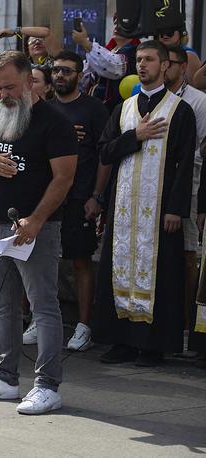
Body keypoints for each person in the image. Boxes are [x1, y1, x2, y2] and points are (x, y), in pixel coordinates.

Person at [0, 50, 77, 415]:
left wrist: (38, 220)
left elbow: (64, 178)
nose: (4, 95)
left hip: (35, 228)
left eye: (10, 87)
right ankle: (4, 377)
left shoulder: (54, 122)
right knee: (3, 305)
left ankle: (47, 384)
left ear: (30, 82)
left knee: (43, 305)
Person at [95, 41, 197, 367]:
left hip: (160, 211)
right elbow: (105, 152)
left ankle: (152, 346)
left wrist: (176, 209)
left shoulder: (180, 110)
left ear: (165, 66)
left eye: (149, 59)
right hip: (124, 207)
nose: (142, 65)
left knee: (161, 274)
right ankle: (122, 341)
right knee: (118, 270)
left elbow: (185, 163)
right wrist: (135, 136)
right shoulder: (123, 109)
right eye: (138, 60)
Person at [44, 51, 110, 352]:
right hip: (48, 198)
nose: (60, 76)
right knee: (42, 261)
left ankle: (84, 326)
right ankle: (40, 319)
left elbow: (104, 157)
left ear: (80, 74)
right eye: (56, 70)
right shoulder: (45, 109)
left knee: (81, 261)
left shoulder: (94, 109)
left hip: (81, 196)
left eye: (66, 71)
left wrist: (97, 196)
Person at [162, 45, 206, 340]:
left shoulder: (198, 101)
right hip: (154, 180)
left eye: (170, 64)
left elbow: (201, 146)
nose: (163, 69)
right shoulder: (149, 98)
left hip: (189, 179)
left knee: (189, 254)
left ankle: (190, 325)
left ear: (182, 67)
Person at [74, 17, 138, 113]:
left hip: (116, 110)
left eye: (122, 24)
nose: (116, 27)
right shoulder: (109, 50)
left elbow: (115, 67)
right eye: (115, 24)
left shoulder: (133, 50)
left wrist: (85, 42)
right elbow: (87, 74)